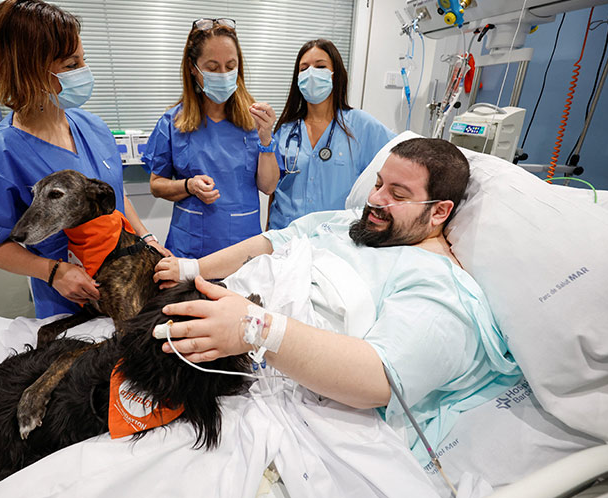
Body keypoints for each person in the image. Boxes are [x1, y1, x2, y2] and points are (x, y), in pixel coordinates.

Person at [153, 138, 521, 458]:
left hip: (264, 374)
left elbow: (378, 379)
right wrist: (193, 268)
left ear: (439, 211)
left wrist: (256, 328)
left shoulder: (437, 287)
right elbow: (272, 242)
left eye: (397, 194)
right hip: (225, 331)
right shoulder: (346, 224)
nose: (375, 199)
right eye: (378, 183)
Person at [0, 0, 168, 319]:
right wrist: (53, 272)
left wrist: (147, 237)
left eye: (83, 61)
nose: (84, 73)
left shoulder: (94, 128)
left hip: (129, 289)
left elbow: (114, 196)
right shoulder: (1, 152)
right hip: (71, 303)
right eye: (72, 65)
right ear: (32, 68)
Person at [142, 18, 280, 259]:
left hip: (243, 245)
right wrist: (188, 185)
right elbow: (156, 185)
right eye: (213, 67)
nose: (224, 74)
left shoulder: (255, 120)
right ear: (193, 68)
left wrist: (266, 138)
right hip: (191, 246)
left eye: (230, 65)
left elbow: (268, 187)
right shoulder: (172, 122)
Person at [268, 39, 396, 230]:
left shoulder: (361, 125)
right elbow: (273, 189)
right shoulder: (286, 131)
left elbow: (403, 158)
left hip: (336, 237)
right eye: (304, 69)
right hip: (286, 234)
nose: (311, 73)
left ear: (335, 75)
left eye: (320, 66)